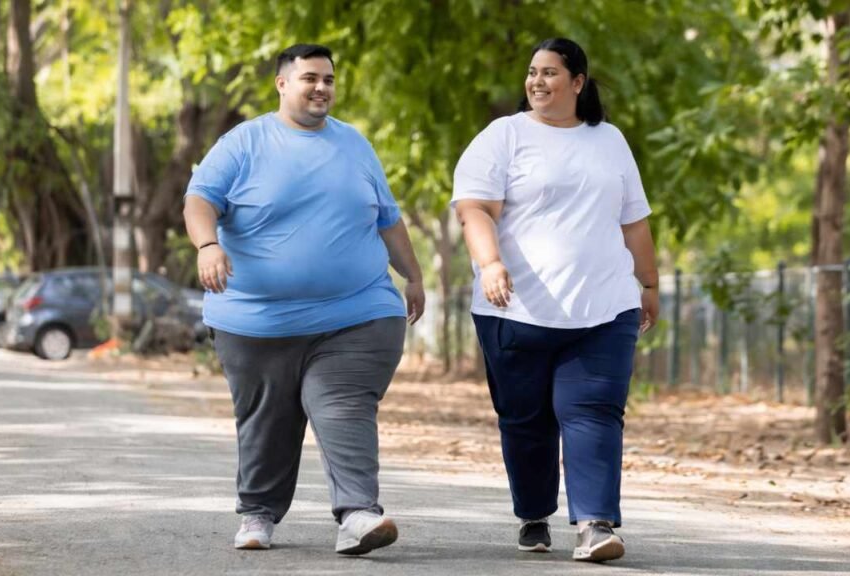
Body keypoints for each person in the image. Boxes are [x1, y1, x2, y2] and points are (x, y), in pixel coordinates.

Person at [182, 43, 424, 555]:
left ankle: (359, 513)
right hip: (255, 320)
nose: (321, 88)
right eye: (310, 78)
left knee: (339, 403)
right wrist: (208, 245)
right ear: (282, 84)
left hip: (358, 311)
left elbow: (387, 217)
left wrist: (413, 276)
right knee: (267, 418)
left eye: (329, 80)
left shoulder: (355, 144)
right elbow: (200, 200)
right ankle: (257, 513)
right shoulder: (243, 143)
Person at [451, 37, 659, 563]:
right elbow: (473, 208)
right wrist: (490, 262)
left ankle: (595, 523)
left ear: (578, 83)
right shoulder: (505, 135)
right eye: (532, 72)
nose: (537, 81)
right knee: (526, 419)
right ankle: (533, 514)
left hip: (605, 306)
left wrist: (650, 285)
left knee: (592, 411)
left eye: (549, 72)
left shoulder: (609, 140)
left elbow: (633, 221)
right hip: (514, 309)